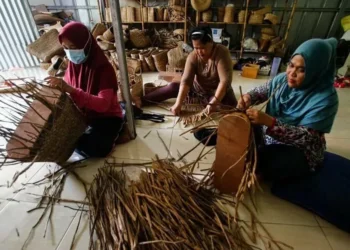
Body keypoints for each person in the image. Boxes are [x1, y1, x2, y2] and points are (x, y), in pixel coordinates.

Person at [237, 38, 339, 182]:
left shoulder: (325, 99)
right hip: (270, 137)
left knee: (275, 162)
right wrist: (248, 97)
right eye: (291, 65)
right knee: (241, 130)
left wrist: (271, 122)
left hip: (300, 149)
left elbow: (307, 138)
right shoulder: (282, 80)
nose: (292, 73)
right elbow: (262, 90)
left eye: (302, 70)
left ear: (317, 71)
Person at [45, 22, 124, 158]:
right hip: (84, 114)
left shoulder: (103, 68)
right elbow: (69, 90)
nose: (69, 52)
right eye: (65, 48)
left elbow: (103, 105)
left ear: (86, 44)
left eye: (73, 47)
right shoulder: (73, 65)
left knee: (95, 149)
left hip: (106, 116)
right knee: (56, 138)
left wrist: (71, 90)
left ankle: (121, 122)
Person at [143, 26, 237, 115]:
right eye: (196, 48)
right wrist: (178, 103)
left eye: (202, 48)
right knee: (173, 86)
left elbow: (224, 82)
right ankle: (141, 100)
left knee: (225, 106)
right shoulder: (193, 56)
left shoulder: (221, 53)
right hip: (198, 90)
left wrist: (214, 102)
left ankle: (209, 102)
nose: (199, 52)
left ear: (211, 42)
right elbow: (186, 81)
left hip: (215, 91)